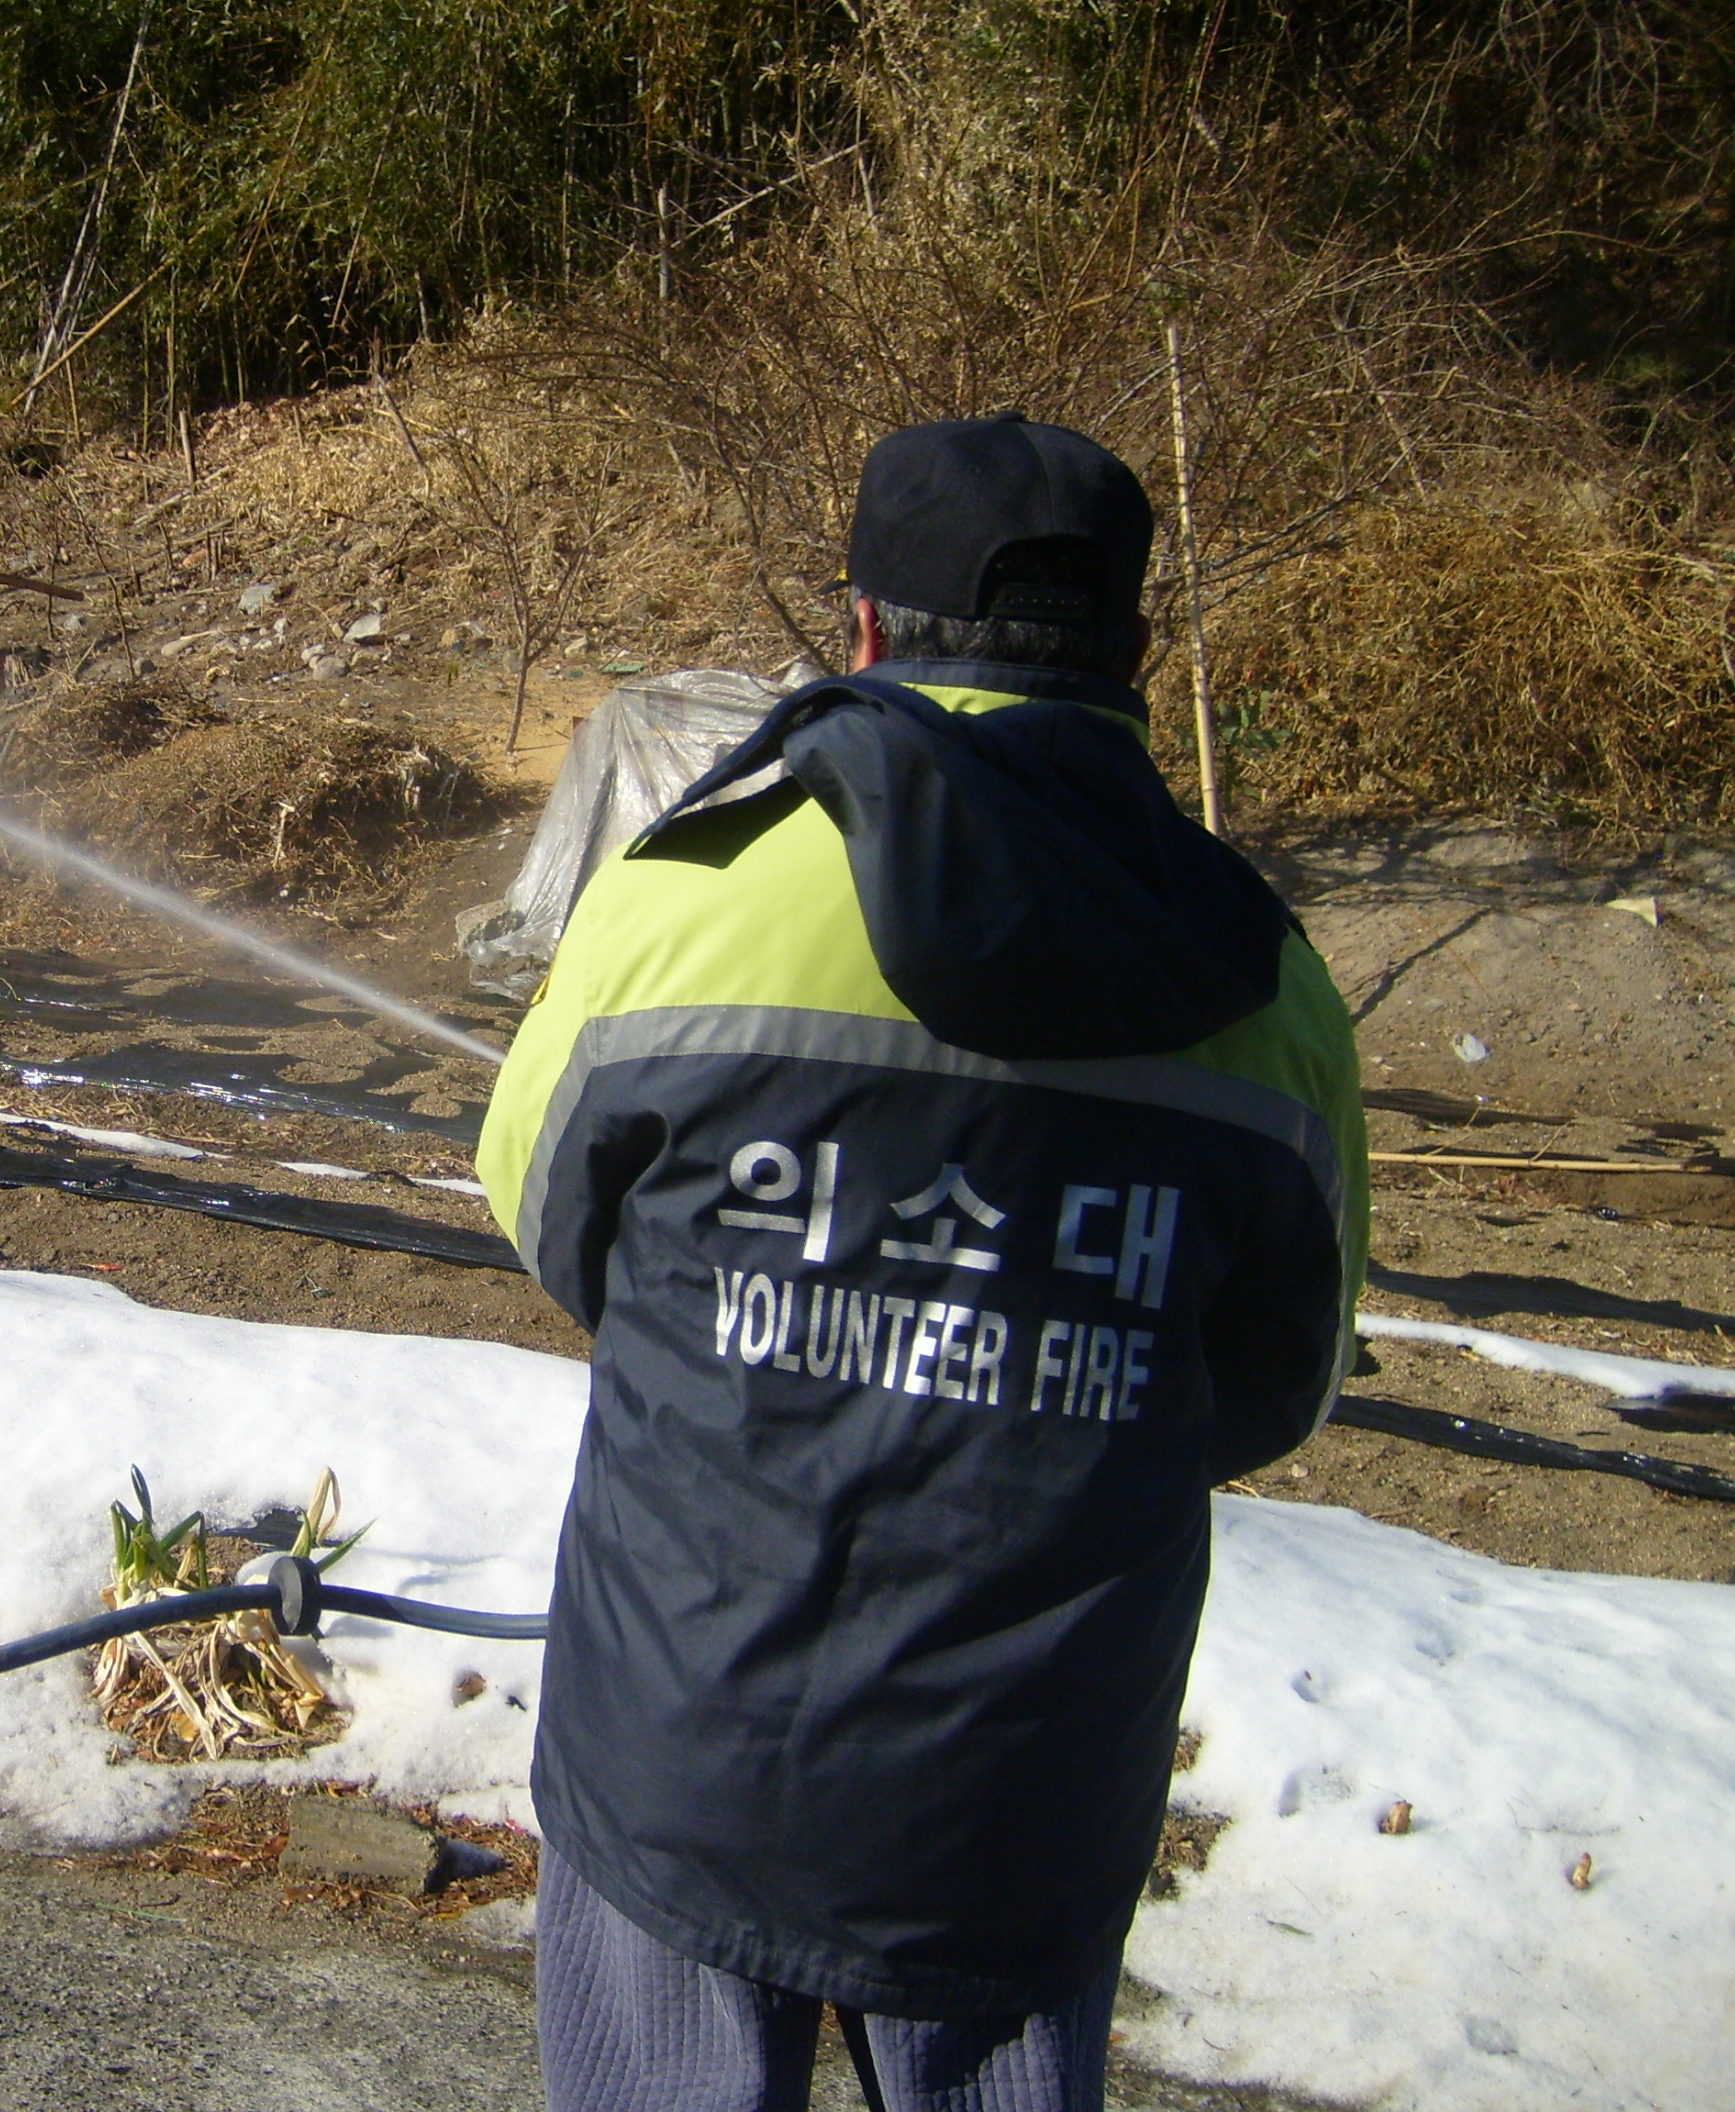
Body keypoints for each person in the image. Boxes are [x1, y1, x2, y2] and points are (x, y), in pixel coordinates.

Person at [478, 413, 1366, 2112]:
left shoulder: (684, 894)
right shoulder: (1267, 983)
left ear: (868, 628)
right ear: (1133, 650)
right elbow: (1276, 1388)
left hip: (685, 1740)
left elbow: (551, 1224)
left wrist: (787, 1312)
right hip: (1024, 1795)